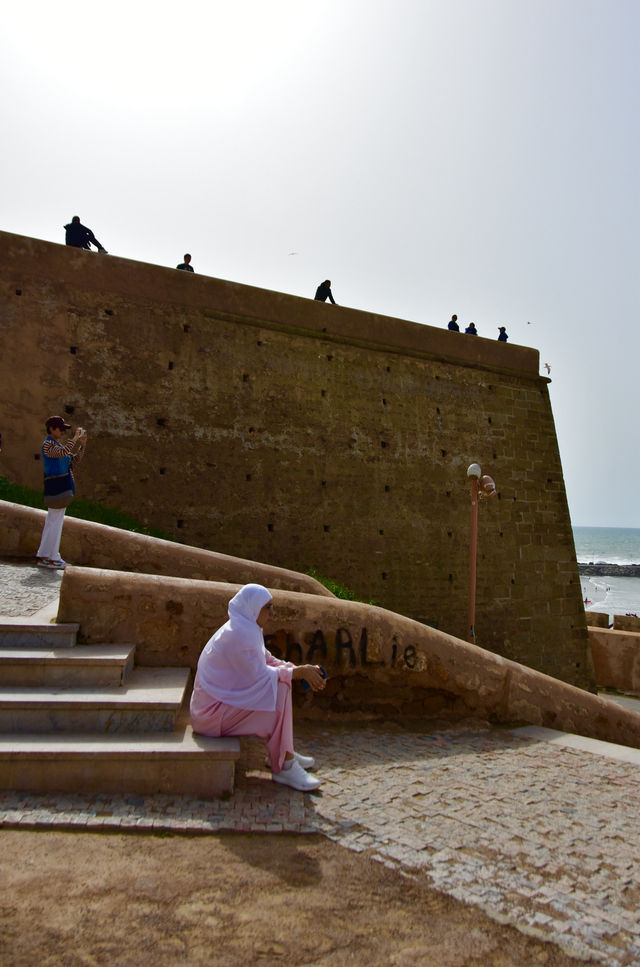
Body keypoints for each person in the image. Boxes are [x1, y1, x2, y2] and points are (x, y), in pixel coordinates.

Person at [190, 583, 326, 792]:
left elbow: (266, 660)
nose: (272, 613)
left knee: (281, 684)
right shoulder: (239, 634)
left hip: (215, 707)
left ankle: (283, 751)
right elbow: (260, 677)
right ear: (254, 608)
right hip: (210, 716)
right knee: (279, 687)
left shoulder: (245, 627)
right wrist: (297, 673)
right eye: (268, 607)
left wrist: (298, 669)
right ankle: (285, 765)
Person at [36, 416, 87, 569]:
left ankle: (45, 555)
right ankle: (52, 557)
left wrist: (82, 445)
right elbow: (63, 451)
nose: (63, 432)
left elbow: (75, 460)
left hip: (60, 489)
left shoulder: (56, 445)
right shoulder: (48, 446)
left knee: (53, 522)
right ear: (51, 429)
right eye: (61, 429)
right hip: (56, 488)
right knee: (55, 523)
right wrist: (75, 438)